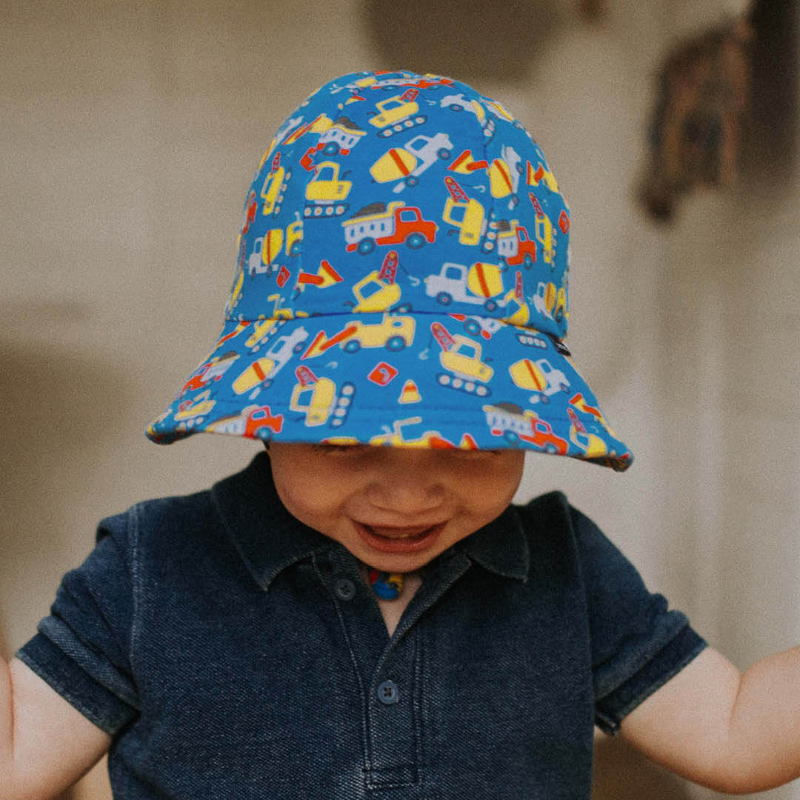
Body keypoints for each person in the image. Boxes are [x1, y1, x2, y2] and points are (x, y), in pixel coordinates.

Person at [2, 69, 798, 800]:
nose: (410, 492)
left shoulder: (566, 575)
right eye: (346, 440)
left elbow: (734, 734)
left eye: (473, 438)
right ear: (268, 415)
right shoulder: (152, 573)